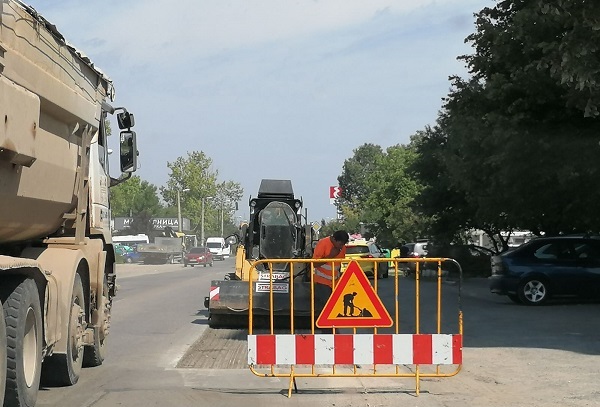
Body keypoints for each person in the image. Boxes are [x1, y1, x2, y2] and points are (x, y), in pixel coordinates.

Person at [311, 230, 349, 310]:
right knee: (326, 308)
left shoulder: (342, 248)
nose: (341, 247)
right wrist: (330, 256)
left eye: (343, 244)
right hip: (322, 282)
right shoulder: (322, 243)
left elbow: (338, 265)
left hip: (335, 282)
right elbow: (315, 264)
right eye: (340, 244)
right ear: (334, 239)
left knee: (336, 307)